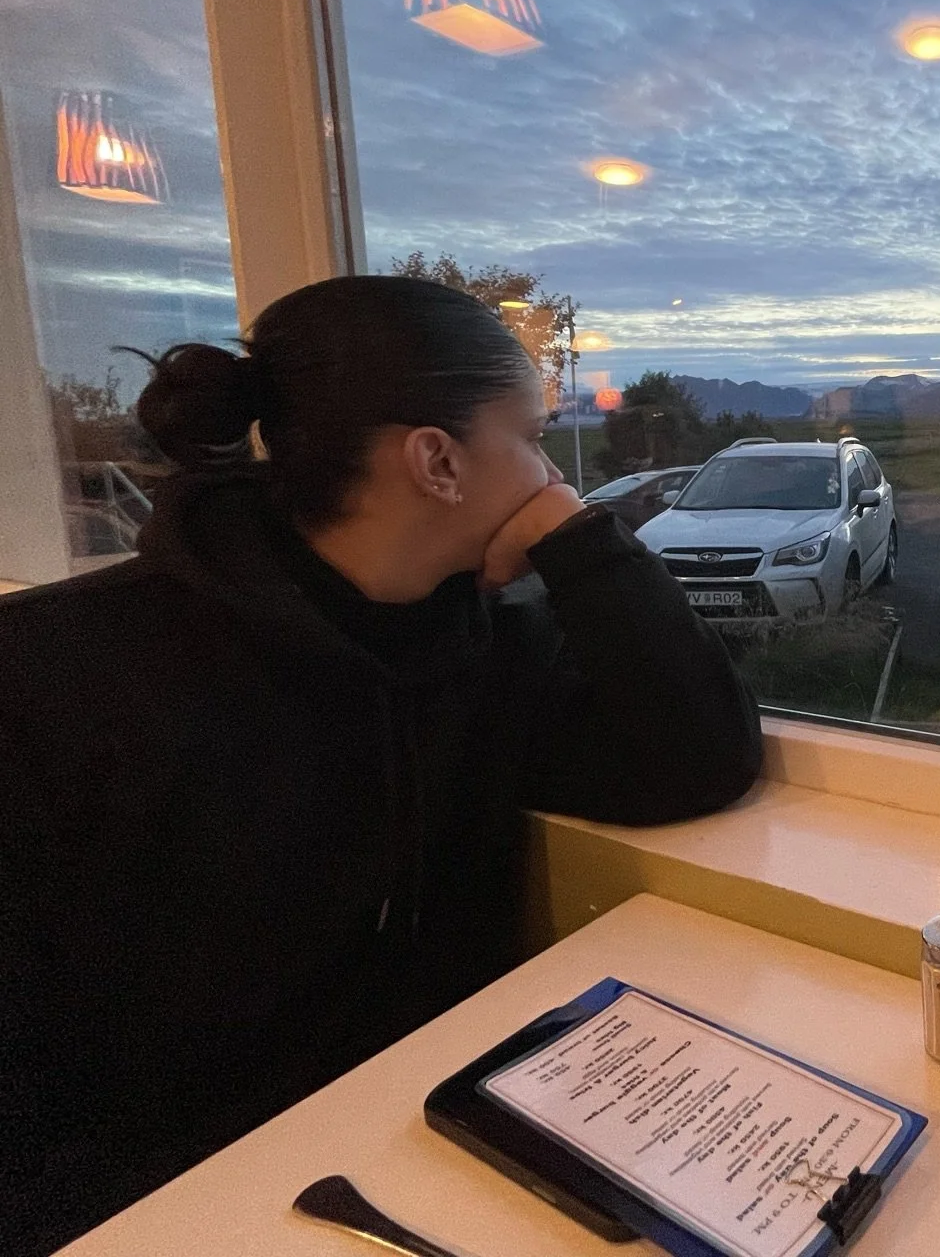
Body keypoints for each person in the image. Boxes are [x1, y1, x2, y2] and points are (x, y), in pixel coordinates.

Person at [0, 276, 762, 1254]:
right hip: (175, 1206)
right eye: (530, 439)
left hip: (433, 1157)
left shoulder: (488, 648)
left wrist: (578, 543)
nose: (547, 473)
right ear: (436, 461)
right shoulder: (52, 680)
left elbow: (697, 760)